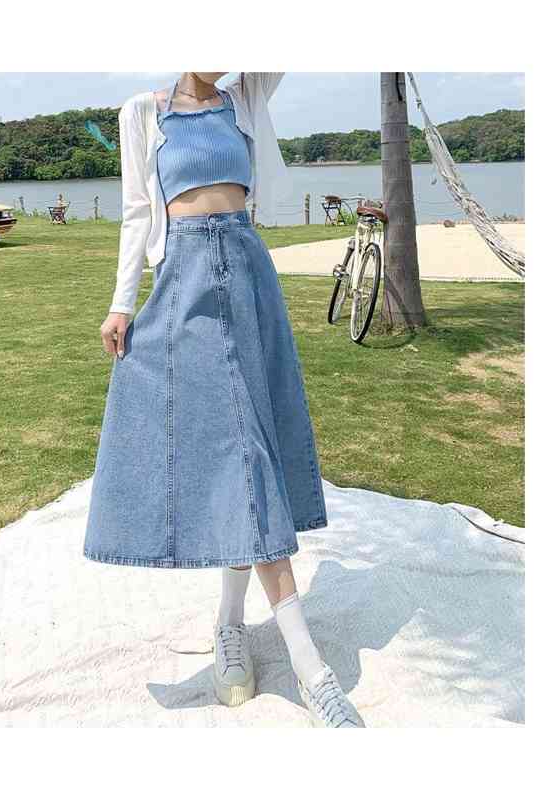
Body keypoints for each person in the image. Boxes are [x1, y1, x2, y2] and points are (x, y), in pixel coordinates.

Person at [83, 72, 364, 728]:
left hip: (247, 273)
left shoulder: (245, 96)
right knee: (238, 453)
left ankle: (230, 622)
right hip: (184, 282)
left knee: (249, 452)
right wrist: (122, 302)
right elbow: (136, 211)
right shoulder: (143, 113)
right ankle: (310, 669)